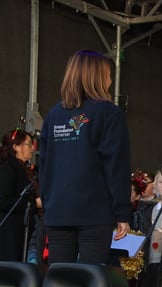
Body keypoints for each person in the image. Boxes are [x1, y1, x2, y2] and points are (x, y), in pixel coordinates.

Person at [39, 49, 131, 264]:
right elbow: (116, 166)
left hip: (58, 212)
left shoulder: (54, 115)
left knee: (59, 282)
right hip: (95, 214)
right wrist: (122, 213)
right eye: (108, 74)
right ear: (97, 77)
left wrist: (48, 201)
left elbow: (44, 164)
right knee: (90, 281)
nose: (110, 80)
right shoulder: (109, 113)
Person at [0, 129, 37, 261]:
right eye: (28, 144)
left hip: (24, 230)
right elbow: (4, 201)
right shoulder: (8, 168)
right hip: (11, 233)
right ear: (16, 147)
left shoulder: (24, 169)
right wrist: (34, 203)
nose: (32, 149)